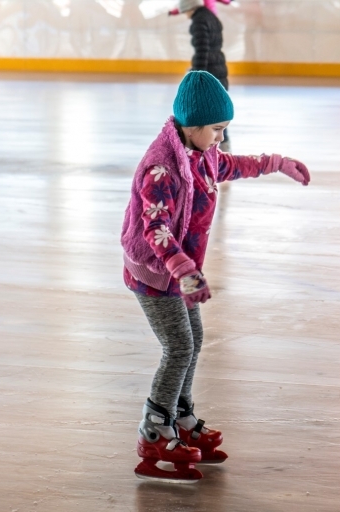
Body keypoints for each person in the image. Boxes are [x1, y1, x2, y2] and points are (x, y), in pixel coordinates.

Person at [121, 71, 311, 483]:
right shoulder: (161, 169)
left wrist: (278, 163)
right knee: (178, 347)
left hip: (180, 271)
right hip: (156, 273)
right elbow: (155, 229)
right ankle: (154, 429)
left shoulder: (201, 153)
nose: (221, 139)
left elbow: (231, 165)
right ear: (192, 126)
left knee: (194, 341)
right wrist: (183, 269)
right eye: (217, 130)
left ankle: (182, 417)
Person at [170, 0, 232, 151]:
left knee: (203, 114)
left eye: (185, 11)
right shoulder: (211, 16)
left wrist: (197, 76)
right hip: (219, 69)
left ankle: (208, 150)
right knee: (217, 113)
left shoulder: (198, 21)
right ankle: (223, 148)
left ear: (189, 8)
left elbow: (202, 50)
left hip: (210, 72)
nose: (185, 15)